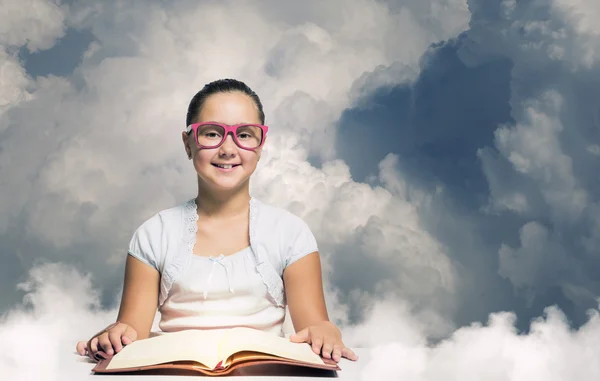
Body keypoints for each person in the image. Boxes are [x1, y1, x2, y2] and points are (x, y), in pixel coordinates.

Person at [75, 79, 358, 364]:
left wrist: (325, 331)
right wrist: (113, 336)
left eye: (245, 135)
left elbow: (314, 326)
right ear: (188, 144)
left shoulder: (291, 233)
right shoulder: (153, 234)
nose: (228, 149)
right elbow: (131, 332)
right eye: (211, 134)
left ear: (261, 146)